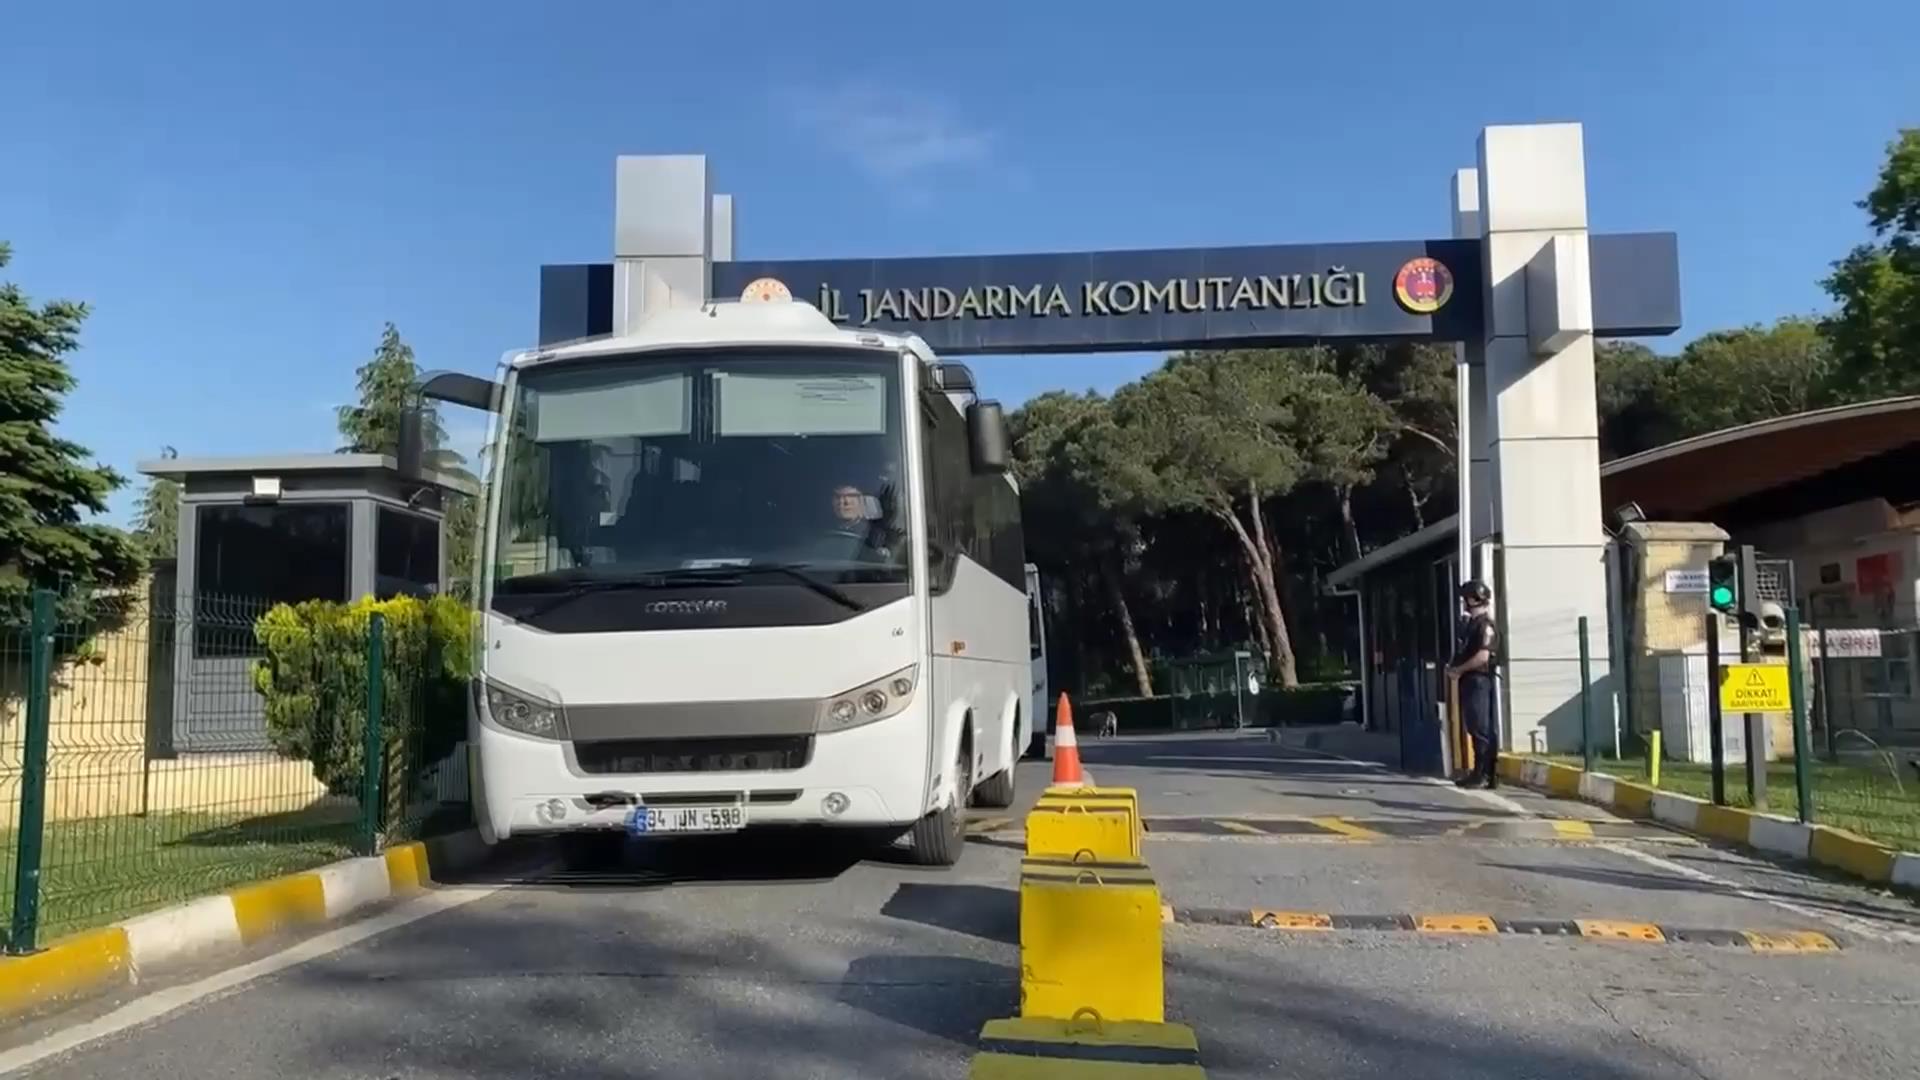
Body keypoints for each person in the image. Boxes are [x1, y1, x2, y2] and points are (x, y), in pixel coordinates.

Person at [1446, 579, 1499, 788]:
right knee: (1475, 726)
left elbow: (1482, 657)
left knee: (1480, 728)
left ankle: (1484, 774)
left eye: (1466, 599)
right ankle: (1481, 773)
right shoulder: (1472, 625)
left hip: (1479, 680)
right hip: (1470, 680)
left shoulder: (1485, 626)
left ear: (1473, 599)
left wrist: (1459, 670)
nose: (1464, 603)